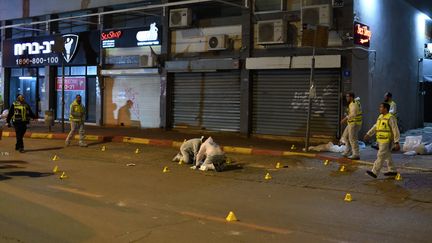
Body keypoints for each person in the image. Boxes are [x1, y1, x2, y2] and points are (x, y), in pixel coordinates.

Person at [364, 103, 400, 178]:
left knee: (380, 155)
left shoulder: (390, 117)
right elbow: (375, 126)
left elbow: (395, 129)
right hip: (380, 140)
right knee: (387, 156)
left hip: (387, 140)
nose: (379, 108)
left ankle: (374, 172)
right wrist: (368, 134)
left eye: (381, 107)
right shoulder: (380, 117)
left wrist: (396, 142)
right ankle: (392, 170)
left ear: (385, 109)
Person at [340, 92, 362, 160]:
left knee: (352, 139)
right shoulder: (355, 102)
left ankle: (356, 154)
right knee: (345, 137)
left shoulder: (353, 104)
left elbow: (353, 114)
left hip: (354, 123)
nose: (346, 98)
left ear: (351, 97)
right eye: (346, 96)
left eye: (347, 96)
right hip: (351, 123)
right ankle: (348, 151)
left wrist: (345, 118)